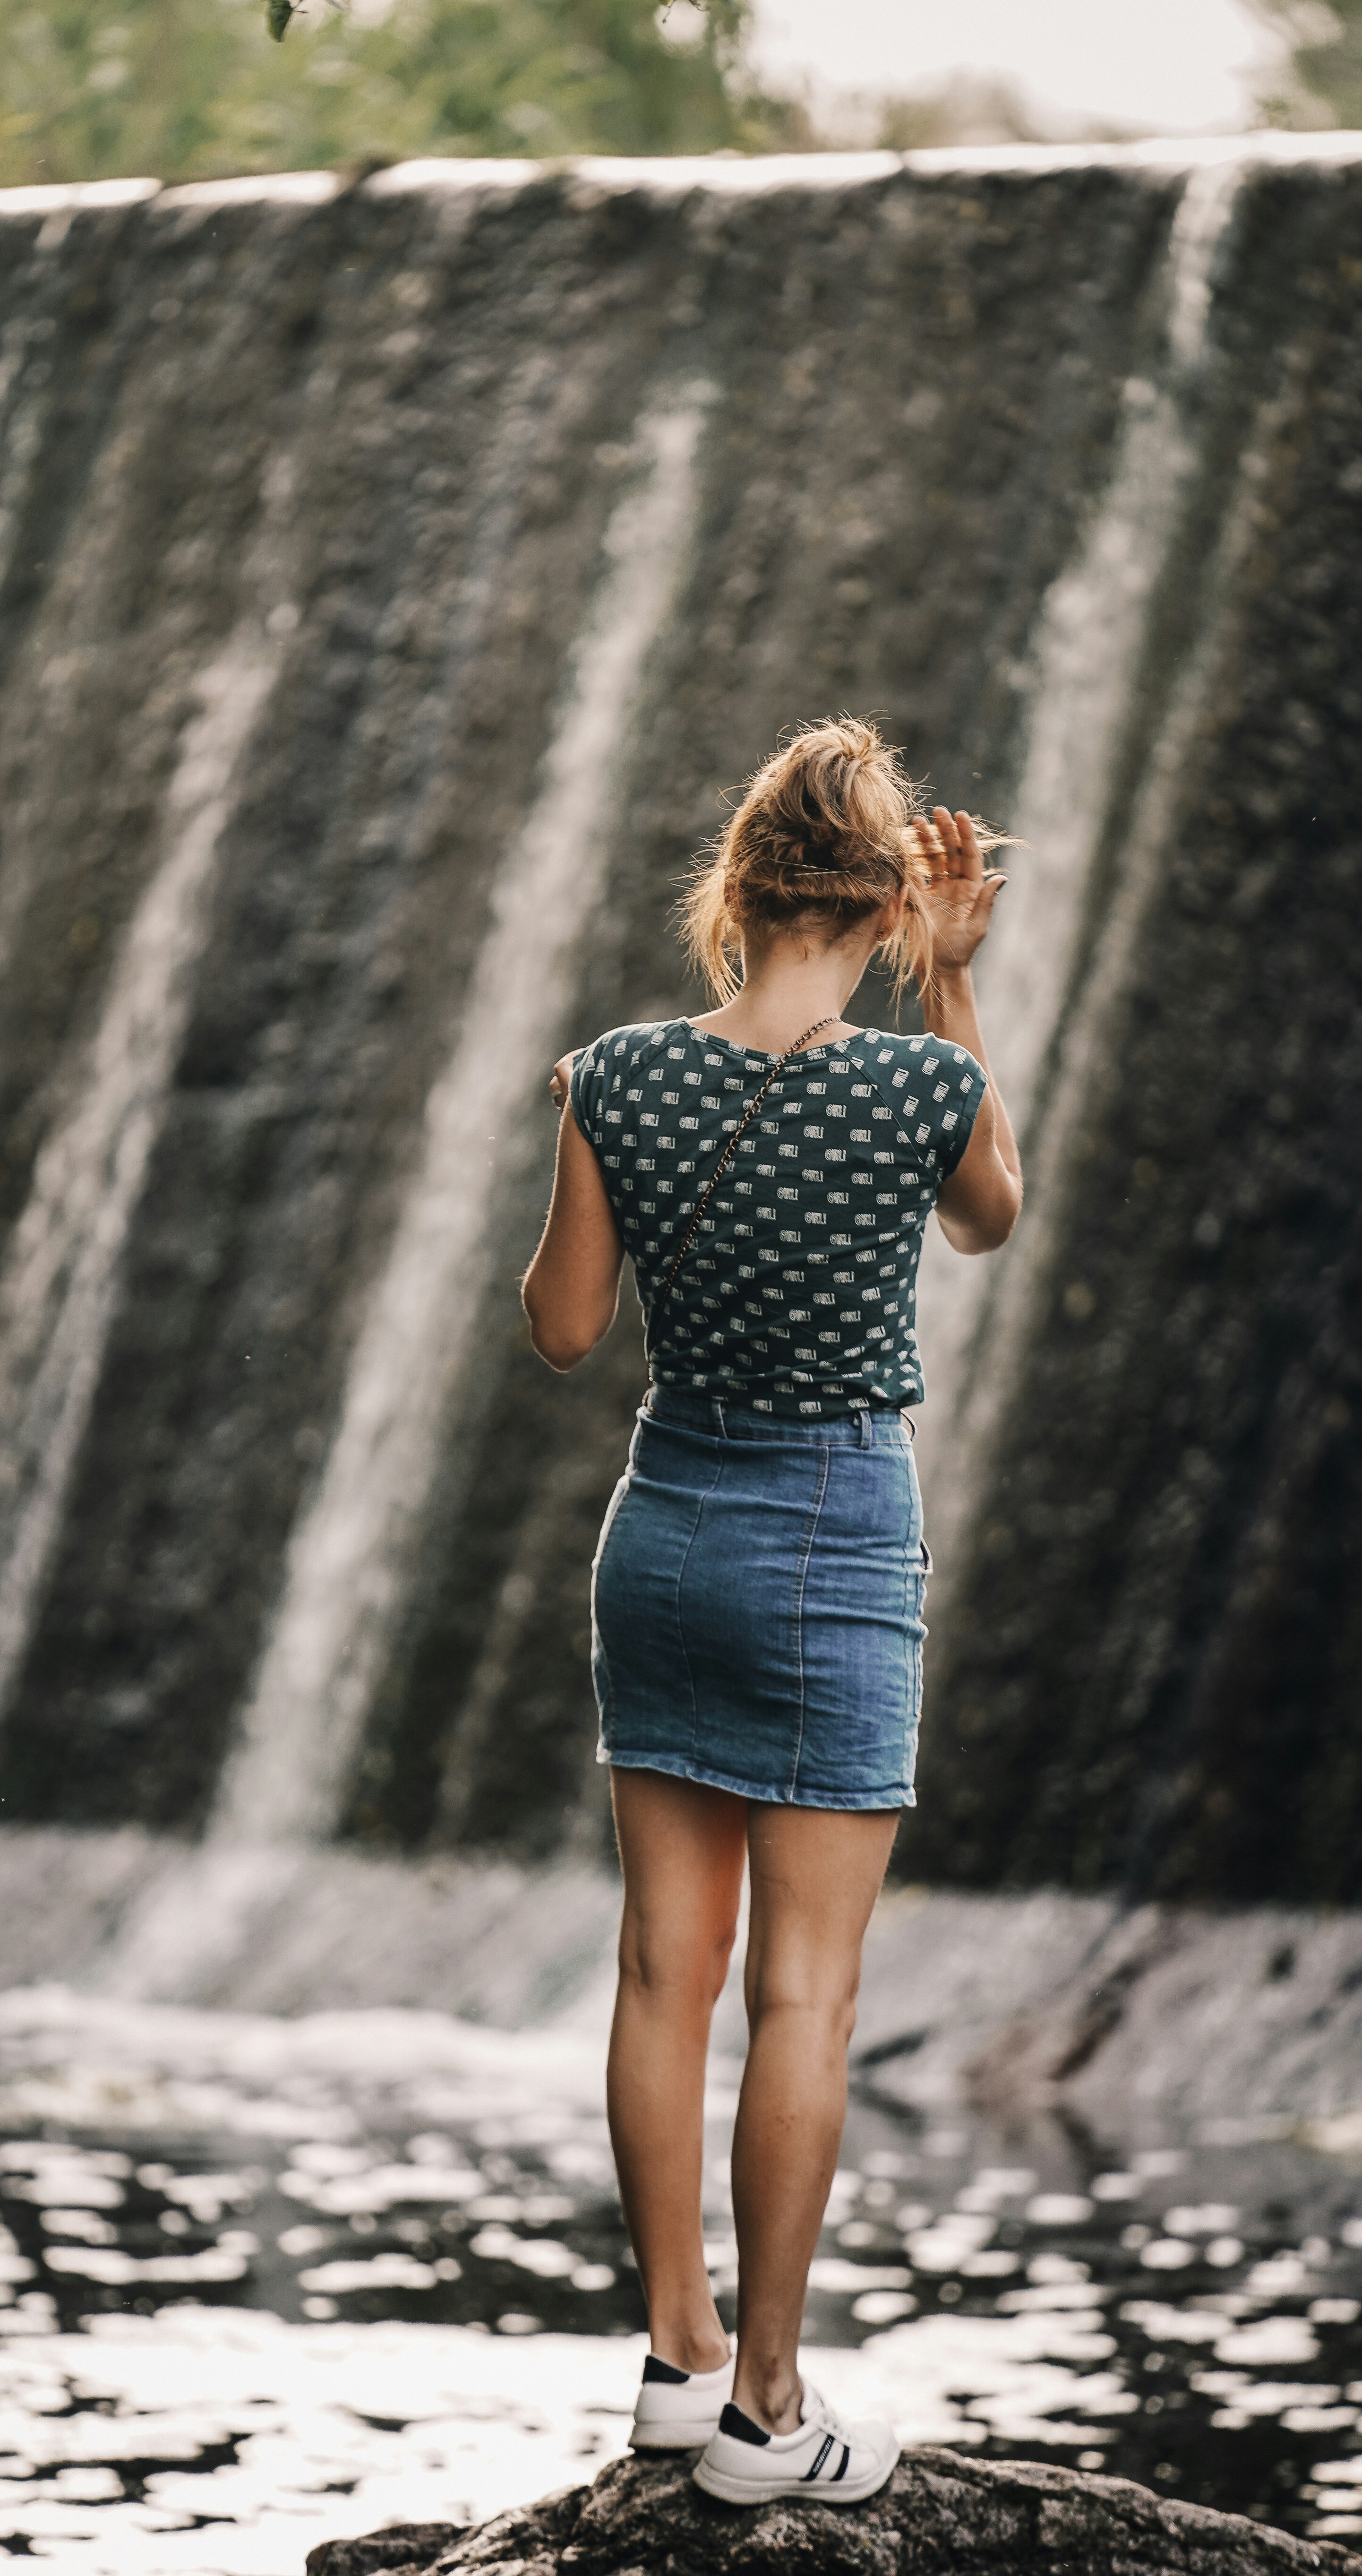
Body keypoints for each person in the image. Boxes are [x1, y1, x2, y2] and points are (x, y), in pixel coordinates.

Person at [520, 718, 1022, 2507]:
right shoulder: (916, 1086)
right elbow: (990, 1218)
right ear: (890, 907)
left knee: (668, 1968)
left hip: (663, 1527)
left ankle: (671, 2362)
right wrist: (955, 990)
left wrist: (588, 1143)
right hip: (834, 1538)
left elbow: (566, 1330)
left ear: (729, 896)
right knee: (801, 1996)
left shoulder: (614, 1076)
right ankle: (767, 2414)